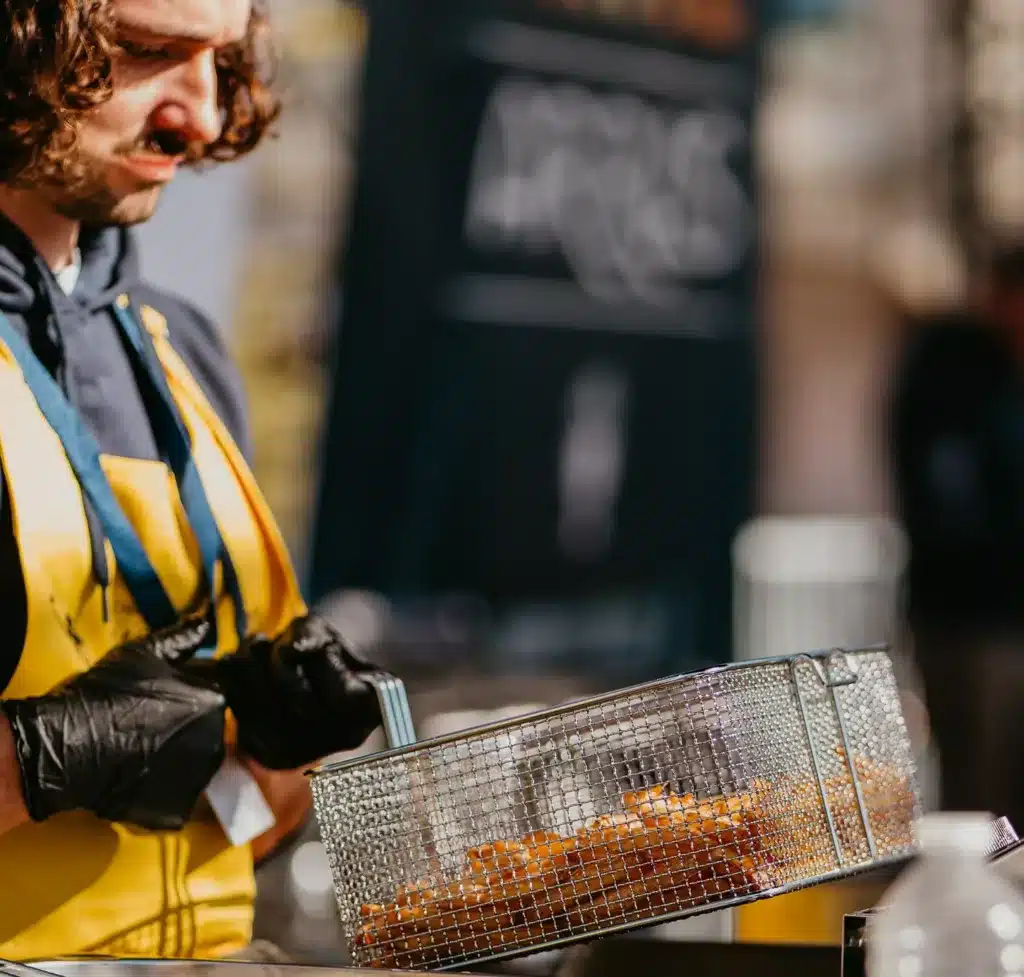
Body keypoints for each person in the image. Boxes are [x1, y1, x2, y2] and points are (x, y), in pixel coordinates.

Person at [0, 0, 391, 961]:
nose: (206, 116)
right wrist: (41, 761)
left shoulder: (186, 350)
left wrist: (271, 753)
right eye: (144, 52)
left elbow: (243, 828)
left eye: (222, 60)